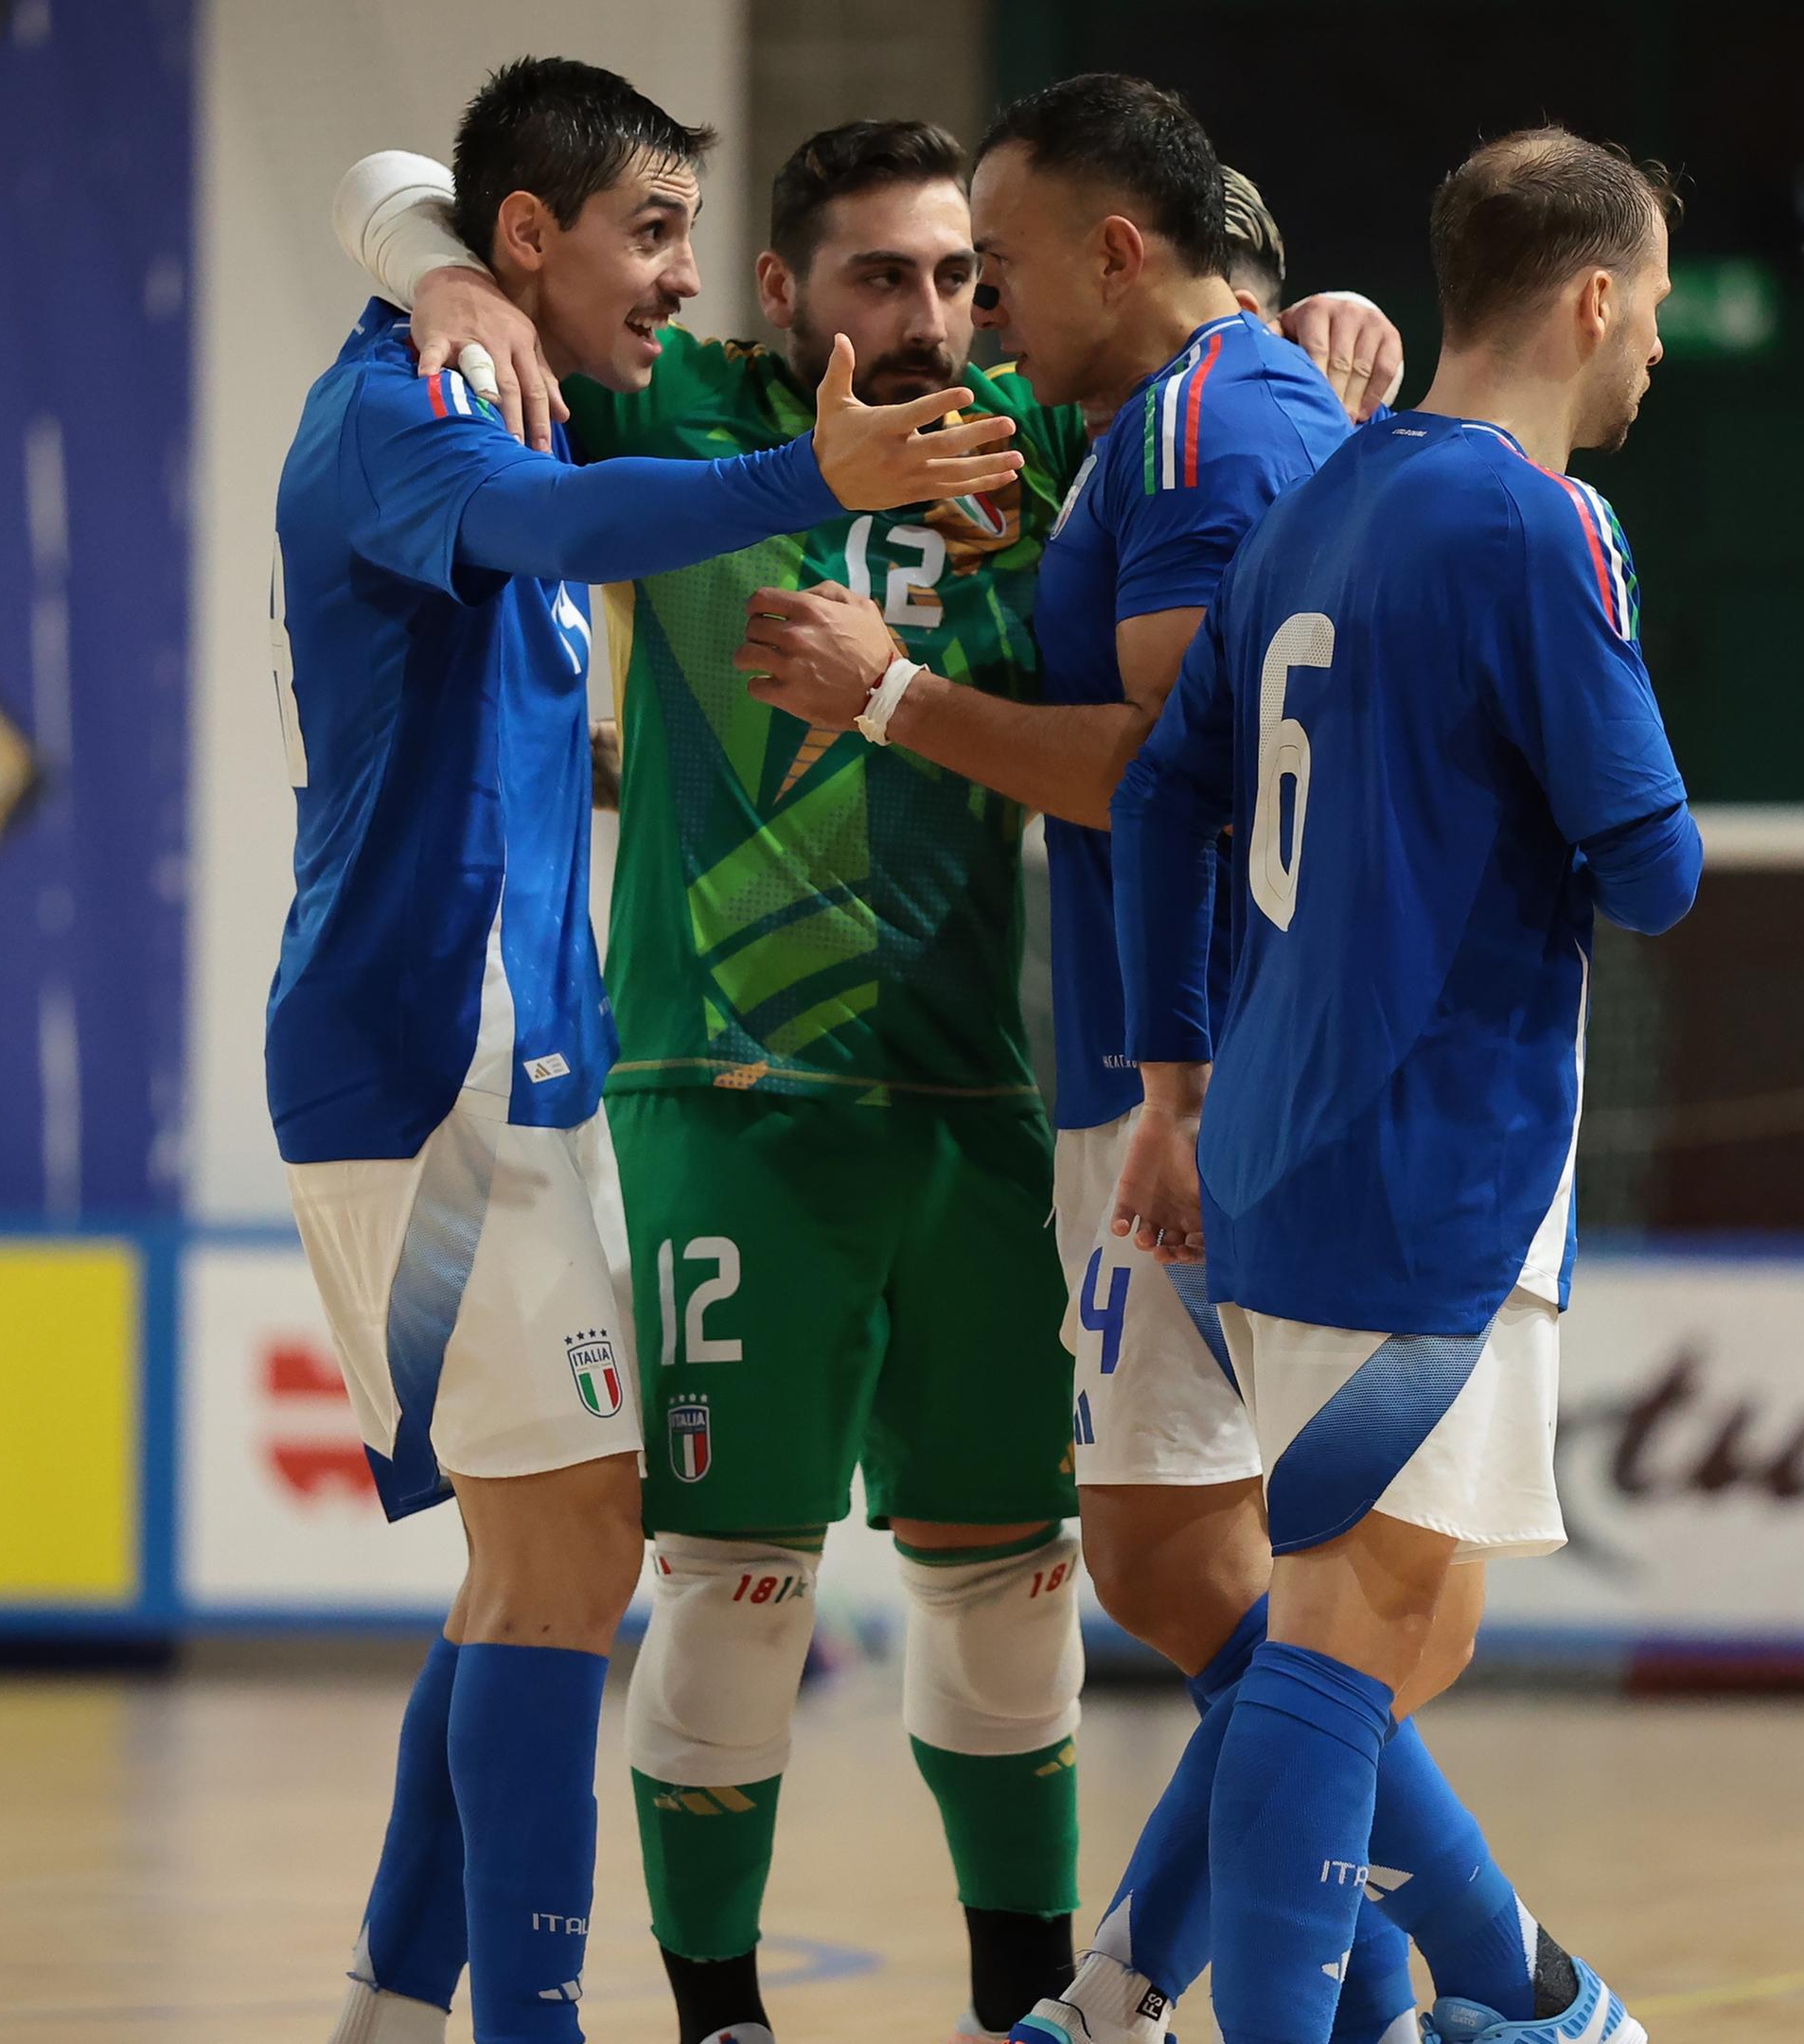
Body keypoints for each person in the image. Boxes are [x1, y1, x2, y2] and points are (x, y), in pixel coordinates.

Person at [321, 117, 1408, 2044]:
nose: (929, 319)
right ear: (774, 297)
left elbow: (1189, 363)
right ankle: (713, 2013)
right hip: (719, 1104)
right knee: (720, 1590)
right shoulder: (681, 415)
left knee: (1013, 1595)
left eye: (957, 277)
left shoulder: (1044, 442)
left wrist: (1315, 299)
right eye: (879, 279)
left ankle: (1025, 2008)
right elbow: (428, 188)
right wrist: (439, 263)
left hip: (982, 1113)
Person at [267, 57, 1019, 2044]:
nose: (678, 281)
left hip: (524, 1060)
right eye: (657, 234)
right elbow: (562, 515)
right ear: (534, 243)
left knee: (533, 1560)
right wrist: (807, 485)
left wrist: (435, 255)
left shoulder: (470, 356)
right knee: (576, 1550)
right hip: (427, 1057)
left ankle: (393, 2007)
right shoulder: (408, 408)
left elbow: (408, 181)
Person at [734, 71, 1471, 2044]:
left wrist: (889, 697)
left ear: (1117, 253)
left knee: (1318, 1604)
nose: (978, 316)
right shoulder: (1158, 420)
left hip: (1223, 1078)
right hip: (1173, 1071)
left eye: (1002, 268)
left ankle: (1448, 1981)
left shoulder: (1217, 427)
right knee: (1185, 1565)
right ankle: (1336, 1991)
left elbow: (1177, 770)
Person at [1104, 129, 1699, 2044]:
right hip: (1428, 1148)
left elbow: (1162, 790)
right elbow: (1654, 865)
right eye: (1660, 307)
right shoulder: (1533, 523)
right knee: (1349, 1645)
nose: (1660, 354)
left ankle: (1129, 2000)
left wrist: (1177, 1079)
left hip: (1285, 1140)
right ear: (1591, 296)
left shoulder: (1320, 497)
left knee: (1372, 1632)